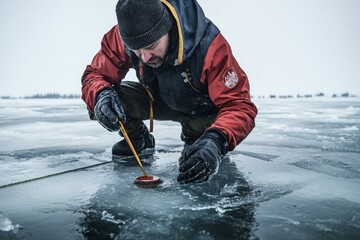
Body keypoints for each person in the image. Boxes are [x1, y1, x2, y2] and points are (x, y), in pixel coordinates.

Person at [81, 0, 257, 184]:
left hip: (201, 113)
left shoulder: (210, 46)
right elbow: (95, 74)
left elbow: (239, 106)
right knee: (101, 100)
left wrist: (216, 140)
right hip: (156, 99)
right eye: (137, 50)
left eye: (151, 46)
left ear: (167, 28)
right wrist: (101, 95)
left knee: (197, 158)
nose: (145, 57)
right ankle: (139, 138)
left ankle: (199, 141)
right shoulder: (125, 36)